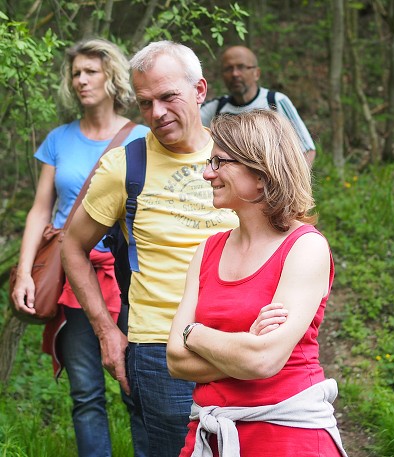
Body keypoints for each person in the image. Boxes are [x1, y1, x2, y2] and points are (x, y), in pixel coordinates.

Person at [60, 41, 239, 457]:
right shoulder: (125, 165)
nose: (157, 112)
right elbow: (73, 246)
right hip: (161, 351)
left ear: (199, 90)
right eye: (145, 103)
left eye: (168, 96)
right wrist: (107, 332)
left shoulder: (239, 157)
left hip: (239, 342)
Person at [167, 110, 348, 457]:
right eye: (209, 161)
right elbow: (175, 361)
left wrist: (195, 334)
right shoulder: (207, 250)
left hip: (287, 437)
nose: (207, 173)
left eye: (220, 162)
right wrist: (244, 347)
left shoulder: (306, 247)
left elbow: (262, 361)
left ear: (262, 173)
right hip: (211, 436)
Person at [11, 38, 150, 457]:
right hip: (73, 275)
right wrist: (23, 273)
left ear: (112, 76)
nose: (81, 80)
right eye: (76, 73)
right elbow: (41, 210)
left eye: (91, 71)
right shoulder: (58, 139)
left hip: (129, 276)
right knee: (86, 394)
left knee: (137, 389)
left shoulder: (143, 135)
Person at [200, 45, 317, 166]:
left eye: (241, 67)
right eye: (228, 69)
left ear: (257, 73)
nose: (235, 74)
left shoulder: (275, 102)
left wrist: (293, 183)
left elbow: (306, 150)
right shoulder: (214, 109)